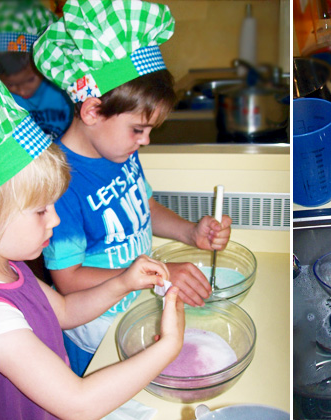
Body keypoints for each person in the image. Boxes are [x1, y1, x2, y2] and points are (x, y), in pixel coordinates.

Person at [32, 0, 232, 377]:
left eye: (150, 130)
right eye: (138, 129)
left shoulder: (119, 150)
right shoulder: (60, 182)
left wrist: (190, 232)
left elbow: (145, 207)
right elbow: (68, 280)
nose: (145, 141)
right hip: (97, 336)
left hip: (137, 308)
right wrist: (159, 273)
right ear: (92, 111)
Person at [0, 56, 185, 420]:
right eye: (41, 211)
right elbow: (79, 403)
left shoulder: (8, 267)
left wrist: (124, 281)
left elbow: (64, 311)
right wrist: (169, 345)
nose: (55, 218)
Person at [0, 0, 72, 139]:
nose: (22, 92)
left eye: (30, 80)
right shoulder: (2, 98)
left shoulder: (62, 86)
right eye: (11, 85)